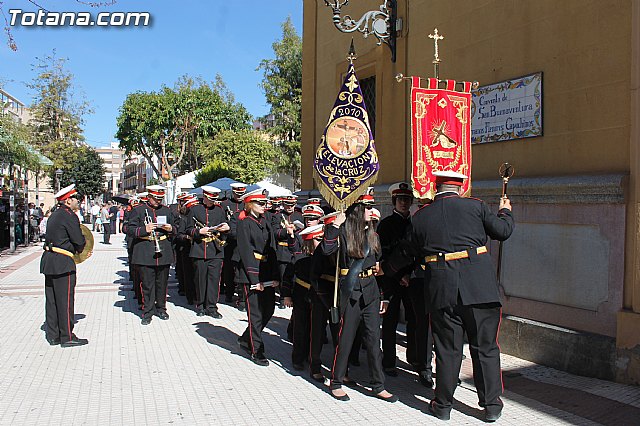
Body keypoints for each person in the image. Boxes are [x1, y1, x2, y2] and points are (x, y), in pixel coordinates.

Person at [411, 171, 514, 422]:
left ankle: (443, 405)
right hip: (479, 287)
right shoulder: (476, 207)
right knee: (485, 347)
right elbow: (502, 231)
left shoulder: (421, 216)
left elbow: (413, 250)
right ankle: (491, 405)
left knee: (447, 350)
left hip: (441, 288)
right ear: (460, 187)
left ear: (436, 188)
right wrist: (505, 211)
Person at [320, 189, 397, 403]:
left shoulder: (372, 233)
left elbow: (378, 264)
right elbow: (326, 250)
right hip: (351, 290)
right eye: (368, 207)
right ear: (357, 210)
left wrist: (383, 295)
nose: (372, 211)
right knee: (345, 339)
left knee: (373, 340)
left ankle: (378, 385)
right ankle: (336, 382)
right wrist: (334, 225)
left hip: (370, 291)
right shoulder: (343, 232)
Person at [378, 182, 421, 379]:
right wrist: (399, 275)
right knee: (390, 322)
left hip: (412, 280)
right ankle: (388, 361)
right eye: (400, 199)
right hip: (391, 280)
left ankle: (414, 357)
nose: (404, 203)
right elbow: (383, 256)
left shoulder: (416, 224)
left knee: (415, 321)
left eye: (407, 200)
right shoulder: (386, 225)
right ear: (394, 201)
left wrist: (411, 274)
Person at [40, 184, 90, 347]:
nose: (79, 202)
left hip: (50, 260)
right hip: (63, 262)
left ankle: (53, 335)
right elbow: (78, 240)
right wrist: (83, 249)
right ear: (68, 200)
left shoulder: (55, 215)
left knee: (52, 300)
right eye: (76, 199)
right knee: (65, 300)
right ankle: (67, 336)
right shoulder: (69, 216)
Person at [235, 188, 280, 366]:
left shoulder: (265, 221)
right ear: (250, 204)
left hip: (266, 271)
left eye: (265, 203)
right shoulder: (244, 223)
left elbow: (272, 247)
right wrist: (255, 280)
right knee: (255, 314)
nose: (264, 206)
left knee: (268, 310)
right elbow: (246, 251)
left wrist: (275, 274)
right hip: (251, 273)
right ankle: (256, 350)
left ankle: (247, 338)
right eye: (260, 203)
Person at [126, 185, 177, 325]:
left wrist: (171, 228)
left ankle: (161, 308)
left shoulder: (167, 210)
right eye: (156, 199)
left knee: (162, 283)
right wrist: (144, 229)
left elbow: (177, 228)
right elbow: (129, 229)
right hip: (145, 250)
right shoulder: (138, 210)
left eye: (160, 199)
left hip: (163, 250)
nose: (158, 201)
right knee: (147, 284)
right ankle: (147, 311)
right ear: (149, 197)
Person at [186, 186, 230, 318]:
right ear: (204, 197)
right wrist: (198, 232)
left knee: (214, 280)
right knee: (200, 279)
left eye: (214, 199)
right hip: (199, 249)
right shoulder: (194, 210)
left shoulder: (219, 210)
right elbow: (188, 229)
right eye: (210, 199)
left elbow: (224, 225)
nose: (213, 202)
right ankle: (200, 305)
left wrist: (225, 228)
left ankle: (212, 306)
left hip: (215, 250)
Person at [222, 182, 247, 309]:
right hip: (229, 241)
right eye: (237, 194)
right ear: (232, 192)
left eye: (241, 194)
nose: (239, 196)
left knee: (240, 270)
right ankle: (229, 292)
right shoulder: (225, 204)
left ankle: (240, 296)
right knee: (228, 269)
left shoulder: (246, 204)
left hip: (242, 243)